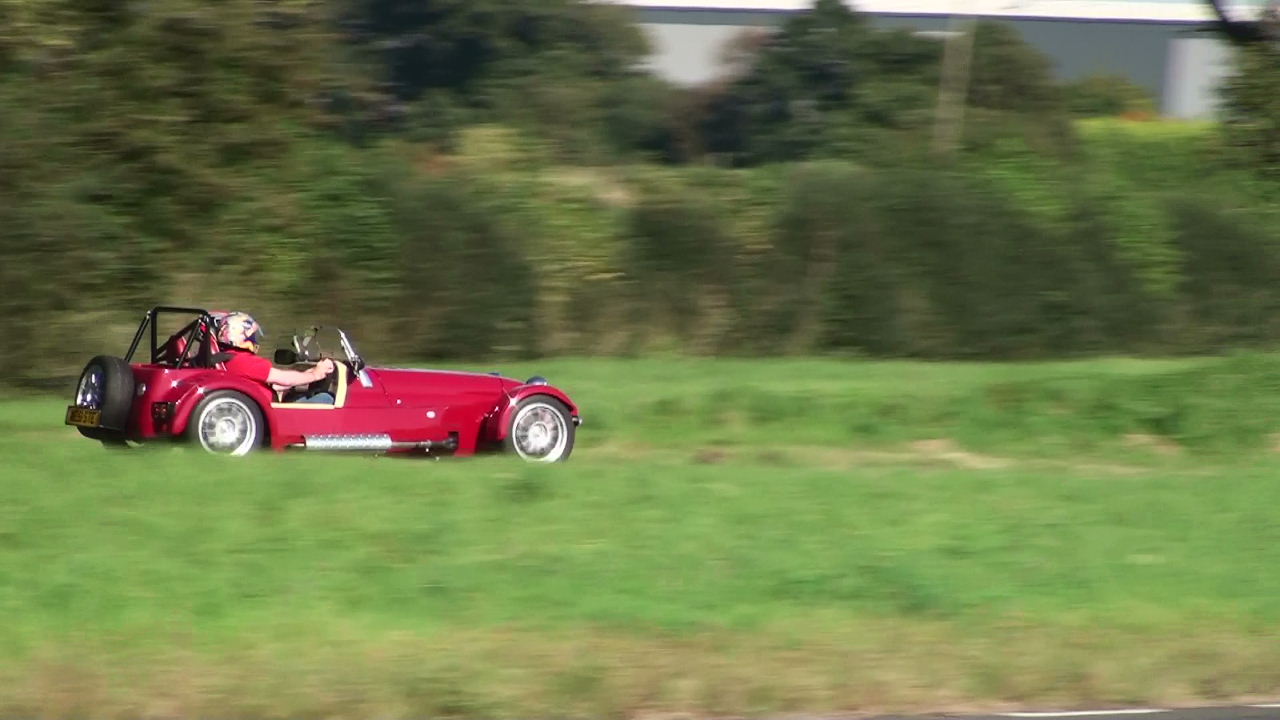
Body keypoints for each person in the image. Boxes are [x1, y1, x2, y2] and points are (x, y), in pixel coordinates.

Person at [216, 312, 336, 404]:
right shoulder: (245, 361)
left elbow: (277, 384)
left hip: (265, 409)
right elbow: (284, 379)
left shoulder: (229, 360)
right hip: (271, 413)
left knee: (295, 395)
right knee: (326, 398)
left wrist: (311, 372)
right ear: (241, 336)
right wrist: (315, 375)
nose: (255, 339)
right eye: (252, 335)